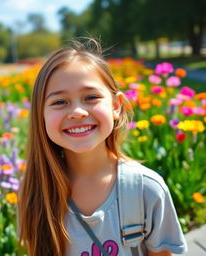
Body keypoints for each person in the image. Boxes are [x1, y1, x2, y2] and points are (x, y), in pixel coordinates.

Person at [18, 38, 187, 256]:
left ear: (116, 106)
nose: (77, 112)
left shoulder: (146, 189)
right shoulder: (35, 192)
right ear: (40, 115)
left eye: (91, 97)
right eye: (59, 102)